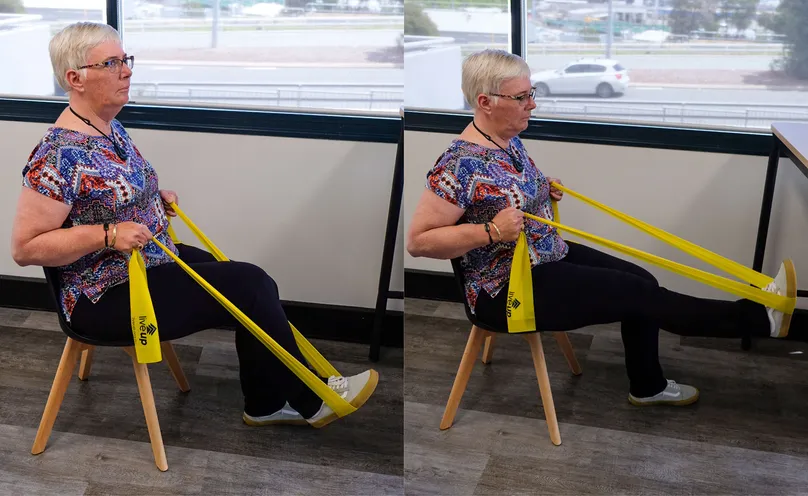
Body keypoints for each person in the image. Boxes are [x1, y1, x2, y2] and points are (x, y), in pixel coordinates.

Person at [10, 21, 377, 427]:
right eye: (112, 63)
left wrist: (152, 197)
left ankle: (268, 402)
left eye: (125, 60)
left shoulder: (108, 127)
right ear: (74, 78)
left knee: (257, 286)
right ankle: (307, 399)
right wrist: (108, 235)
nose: (127, 71)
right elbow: (26, 247)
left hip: (145, 261)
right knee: (250, 285)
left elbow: (104, 194)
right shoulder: (56, 155)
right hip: (104, 294)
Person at [406, 49, 798, 407]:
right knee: (637, 293)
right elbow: (419, 242)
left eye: (532, 92)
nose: (533, 104)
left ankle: (647, 385)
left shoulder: (506, 140)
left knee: (641, 278)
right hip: (508, 289)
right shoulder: (458, 164)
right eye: (521, 97)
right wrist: (490, 231)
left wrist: (543, 188)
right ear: (485, 102)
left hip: (545, 258)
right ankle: (758, 319)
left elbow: (505, 192)